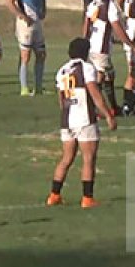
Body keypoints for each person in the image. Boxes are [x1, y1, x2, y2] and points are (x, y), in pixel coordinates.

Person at [46, 37, 117, 209]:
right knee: (88, 158)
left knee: (66, 158)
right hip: (84, 119)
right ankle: (87, 198)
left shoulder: (62, 70)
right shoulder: (86, 68)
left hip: (67, 119)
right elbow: (94, 93)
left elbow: (61, 99)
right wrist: (108, 114)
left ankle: (54, 195)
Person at [84, 0, 135, 115]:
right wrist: (132, 45)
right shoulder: (110, 5)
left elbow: (87, 22)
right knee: (104, 76)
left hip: (93, 46)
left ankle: (107, 107)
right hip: (101, 49)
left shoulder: (95, 2)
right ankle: (98, 108)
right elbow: (116, 27)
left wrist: (85, 40)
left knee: (104, 75)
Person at [6, 0, 47, 96]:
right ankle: (24, 88)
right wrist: (22, 16)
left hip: (37, 23)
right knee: (26, 56)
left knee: (41, 54)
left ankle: (38, 87)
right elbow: (9, 1)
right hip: (26, 25)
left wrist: (44, 10)